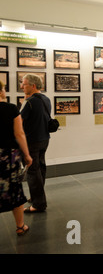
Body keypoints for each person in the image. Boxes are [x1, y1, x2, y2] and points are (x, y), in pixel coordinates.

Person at [0, 81, 33, 235]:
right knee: (14, 190)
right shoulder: (11, 109)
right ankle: (20, 226)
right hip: (8, 156)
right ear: (1, 91)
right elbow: (19, 134)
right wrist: (26, 155)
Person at [20, 74, 51, 213]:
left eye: (24, 84)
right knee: (41, 168)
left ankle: (39, 203)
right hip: (44, 139)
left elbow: (19, 122)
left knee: (33, 171)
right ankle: (36, 196)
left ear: (33, 86)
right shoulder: (46, 99)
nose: (21, 86)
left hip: (32, 141)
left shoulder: (30, 101)